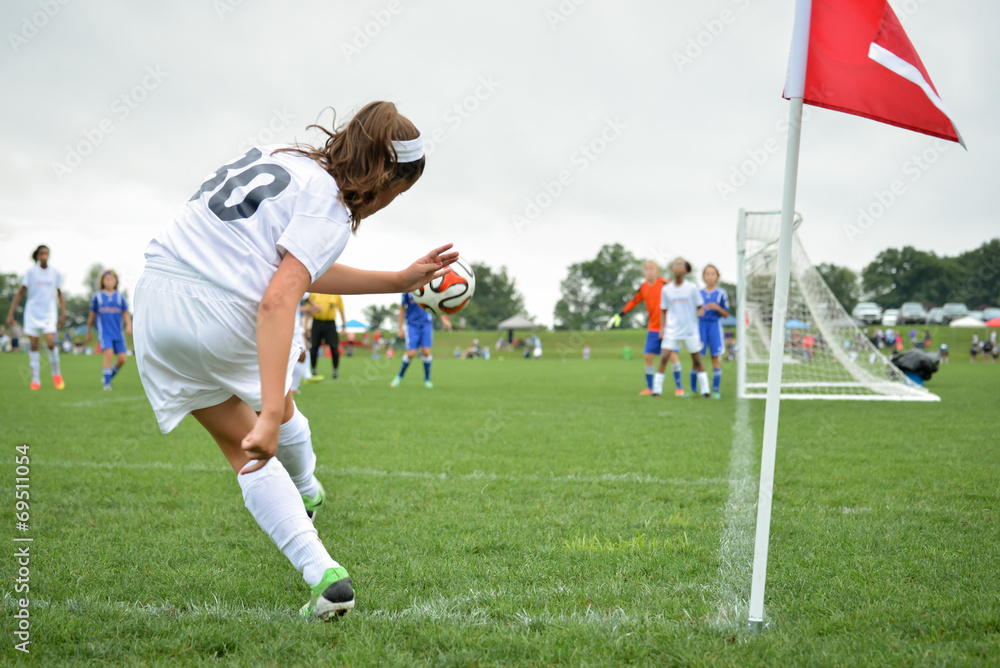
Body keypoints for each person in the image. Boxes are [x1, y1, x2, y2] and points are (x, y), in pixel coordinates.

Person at [131, 101, 457, 620]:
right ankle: (309, 506)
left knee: (242, 448)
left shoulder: (278, 157)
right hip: (225, 307)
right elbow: (279, 299)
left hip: (154, 302)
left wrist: (396, 281)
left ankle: (320, 554)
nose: (390, 203)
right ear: (384, 176)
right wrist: (267, 414)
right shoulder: (329, 203)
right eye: (399, 192)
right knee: (270, 426)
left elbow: (293, 266)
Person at [6, 245, 66, 390]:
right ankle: (35, 380)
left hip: (49, 313)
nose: (44, 256)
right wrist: (11, 313)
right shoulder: (31, 273)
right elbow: (20, 293)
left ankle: (56, 375)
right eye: (41, 254)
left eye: (46, 253)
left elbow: (59, 294)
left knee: (51, 343)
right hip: (32, 313)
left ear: (49, 255)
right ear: (37, 256)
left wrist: (63, 313)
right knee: (34, 345)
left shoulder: (55, 273)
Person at [609, 260, 667, 395]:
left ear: (657, 271)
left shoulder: (665, 284)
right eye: (647, 269)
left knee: (672, 356)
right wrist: (620, 315)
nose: (649, 271)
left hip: (668, 327)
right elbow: (633, 301)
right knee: (648, 357)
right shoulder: (643, 288)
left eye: (652, 269)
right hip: (653, 328)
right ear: (643, 272)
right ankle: (649, 387)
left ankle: (679, 388)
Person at [654, 258, 707, 397]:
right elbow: (663, 310)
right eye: (675, 265)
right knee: (664, 357)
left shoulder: (692, 288)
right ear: (672, 269)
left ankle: (706, 390)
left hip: (690, 329)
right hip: (672, 330)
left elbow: (700, 307)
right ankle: (656, 390)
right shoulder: (667, 289)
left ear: (685, 269)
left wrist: (700, 311)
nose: (678, 267)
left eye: (680, 265)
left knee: (696, 359)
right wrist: (662, 329)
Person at [86, 269, 133, 390]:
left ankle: (108, 375)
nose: (109, 282)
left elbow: (125, 313)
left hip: (118, 333)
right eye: (107, 279)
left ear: (116, 281)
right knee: (108, 355)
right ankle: (107, 384)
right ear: (102, 281)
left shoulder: (120, 297)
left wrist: (128, 325)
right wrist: (88, 332)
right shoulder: (98, 297)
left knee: (122, 359)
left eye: (112, 279)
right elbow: (92, 316)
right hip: (105, 333)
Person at [392, 293, 442, 387]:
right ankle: (400, 376)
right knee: (411, 353)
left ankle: (427, 379)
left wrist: (444, 319)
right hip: (412, 324)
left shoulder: (428, 286)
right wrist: (400, 328)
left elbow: (436, 304)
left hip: (426, 324)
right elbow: (402, 308)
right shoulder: (407, 289)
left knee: (426, 352)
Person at [698, 264, 729, 399]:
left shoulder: (721, 293)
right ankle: (696, 389)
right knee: (697, 358)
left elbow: (726, 314)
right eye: (707, 274)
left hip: (714, 326)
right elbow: (694, 312)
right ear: (703, 276)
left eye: (713, 274)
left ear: (717, 276)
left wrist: (717, 308)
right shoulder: (698, 293)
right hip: (701, 326)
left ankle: (715, 390)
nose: (710, 276)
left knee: (715, 359)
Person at [309, 292, 346, 379]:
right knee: (314, 347)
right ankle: (313, 370)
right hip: (316, 323)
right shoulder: (314, 294)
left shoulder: (336, 295)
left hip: (330, 324)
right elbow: (309, 309)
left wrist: (344, 327)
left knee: (334, 347)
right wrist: (306, 325)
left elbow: (342, 311)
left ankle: (335, 371)